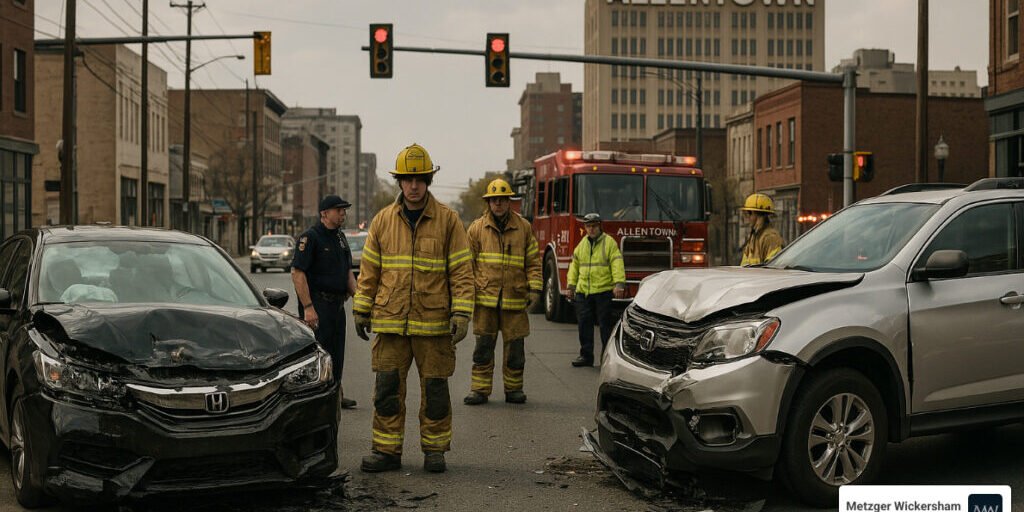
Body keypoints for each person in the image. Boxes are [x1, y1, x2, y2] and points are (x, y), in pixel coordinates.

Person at [352, 143, 475, 474]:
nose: (414, 185)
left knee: (435, 392)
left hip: (434, 326)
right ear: (400, 182)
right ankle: (386, 451)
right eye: (408, 179)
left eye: (420, 178)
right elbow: (369, 272)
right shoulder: (382, 222)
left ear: (428, 180)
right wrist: (362, 309)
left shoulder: (449, 221)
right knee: (387, 391)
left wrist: (461, 313)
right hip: (391, 324)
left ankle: (435, 451)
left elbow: (462, 272)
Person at [463, 178, 543, 406]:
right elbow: (468, 264)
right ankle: (479, 390)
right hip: (485, 301)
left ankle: (514, 389)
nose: (498, 203)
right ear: (488, 202)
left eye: (502, 199)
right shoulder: (477, 228)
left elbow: (533, 262)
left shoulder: (524, 228)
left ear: (509, 201)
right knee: (483, 349)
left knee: (515, 350)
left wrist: (535, 288)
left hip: (515, 300)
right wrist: (467, 294)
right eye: (494, 200)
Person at [291, 195, 359, 409]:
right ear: (324, 213)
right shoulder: (310, 238)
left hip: (337, 306)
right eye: (338, 210)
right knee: (319, 352)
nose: (343, 214)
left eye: (344, 210)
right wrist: (308, 308)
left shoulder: (340, 237)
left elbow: (348, 272)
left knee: (337, 352)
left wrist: (361, 300)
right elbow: (298, 273)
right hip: (318, 305)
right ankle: (317, 398)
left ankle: (336, 393)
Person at [566, 213, 626, 367]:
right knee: (584, 324)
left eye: (594, 226)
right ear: (585, 228)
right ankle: (586, 356)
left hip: (603, 291)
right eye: (588, 226)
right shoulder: (582, 245)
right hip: (584, 292)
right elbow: (574, 267)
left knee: (605, 327)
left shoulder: (609, 243)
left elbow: (617, 263)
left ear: (600, 226)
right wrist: (571, 287)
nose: (591, 229)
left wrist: (619, 284)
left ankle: (606, 358)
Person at [739, 193, 785, 266]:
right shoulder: (754, 236)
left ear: (756, 215)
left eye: (748, 213)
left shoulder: (771, 238)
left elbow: (773, 268)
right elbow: (744, 265)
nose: (747, 217)